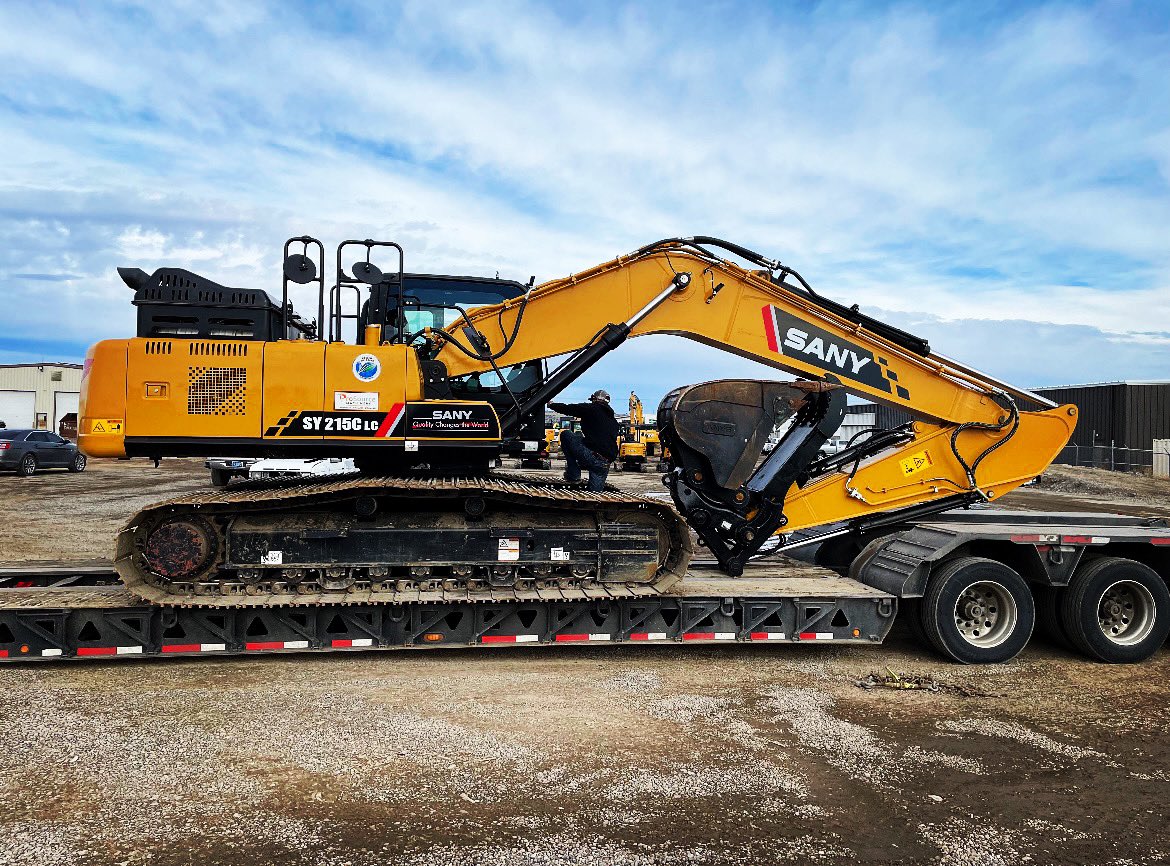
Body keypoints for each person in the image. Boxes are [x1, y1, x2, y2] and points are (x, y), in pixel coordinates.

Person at [549, 390, 619, 491]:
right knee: (594, 495)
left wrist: (552, 405)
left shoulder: (591, 408)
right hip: (605, 463)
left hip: (591, 455)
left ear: (594, 399)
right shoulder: (613, 420)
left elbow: (569, 409)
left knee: (566, 435)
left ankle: (573, 474)